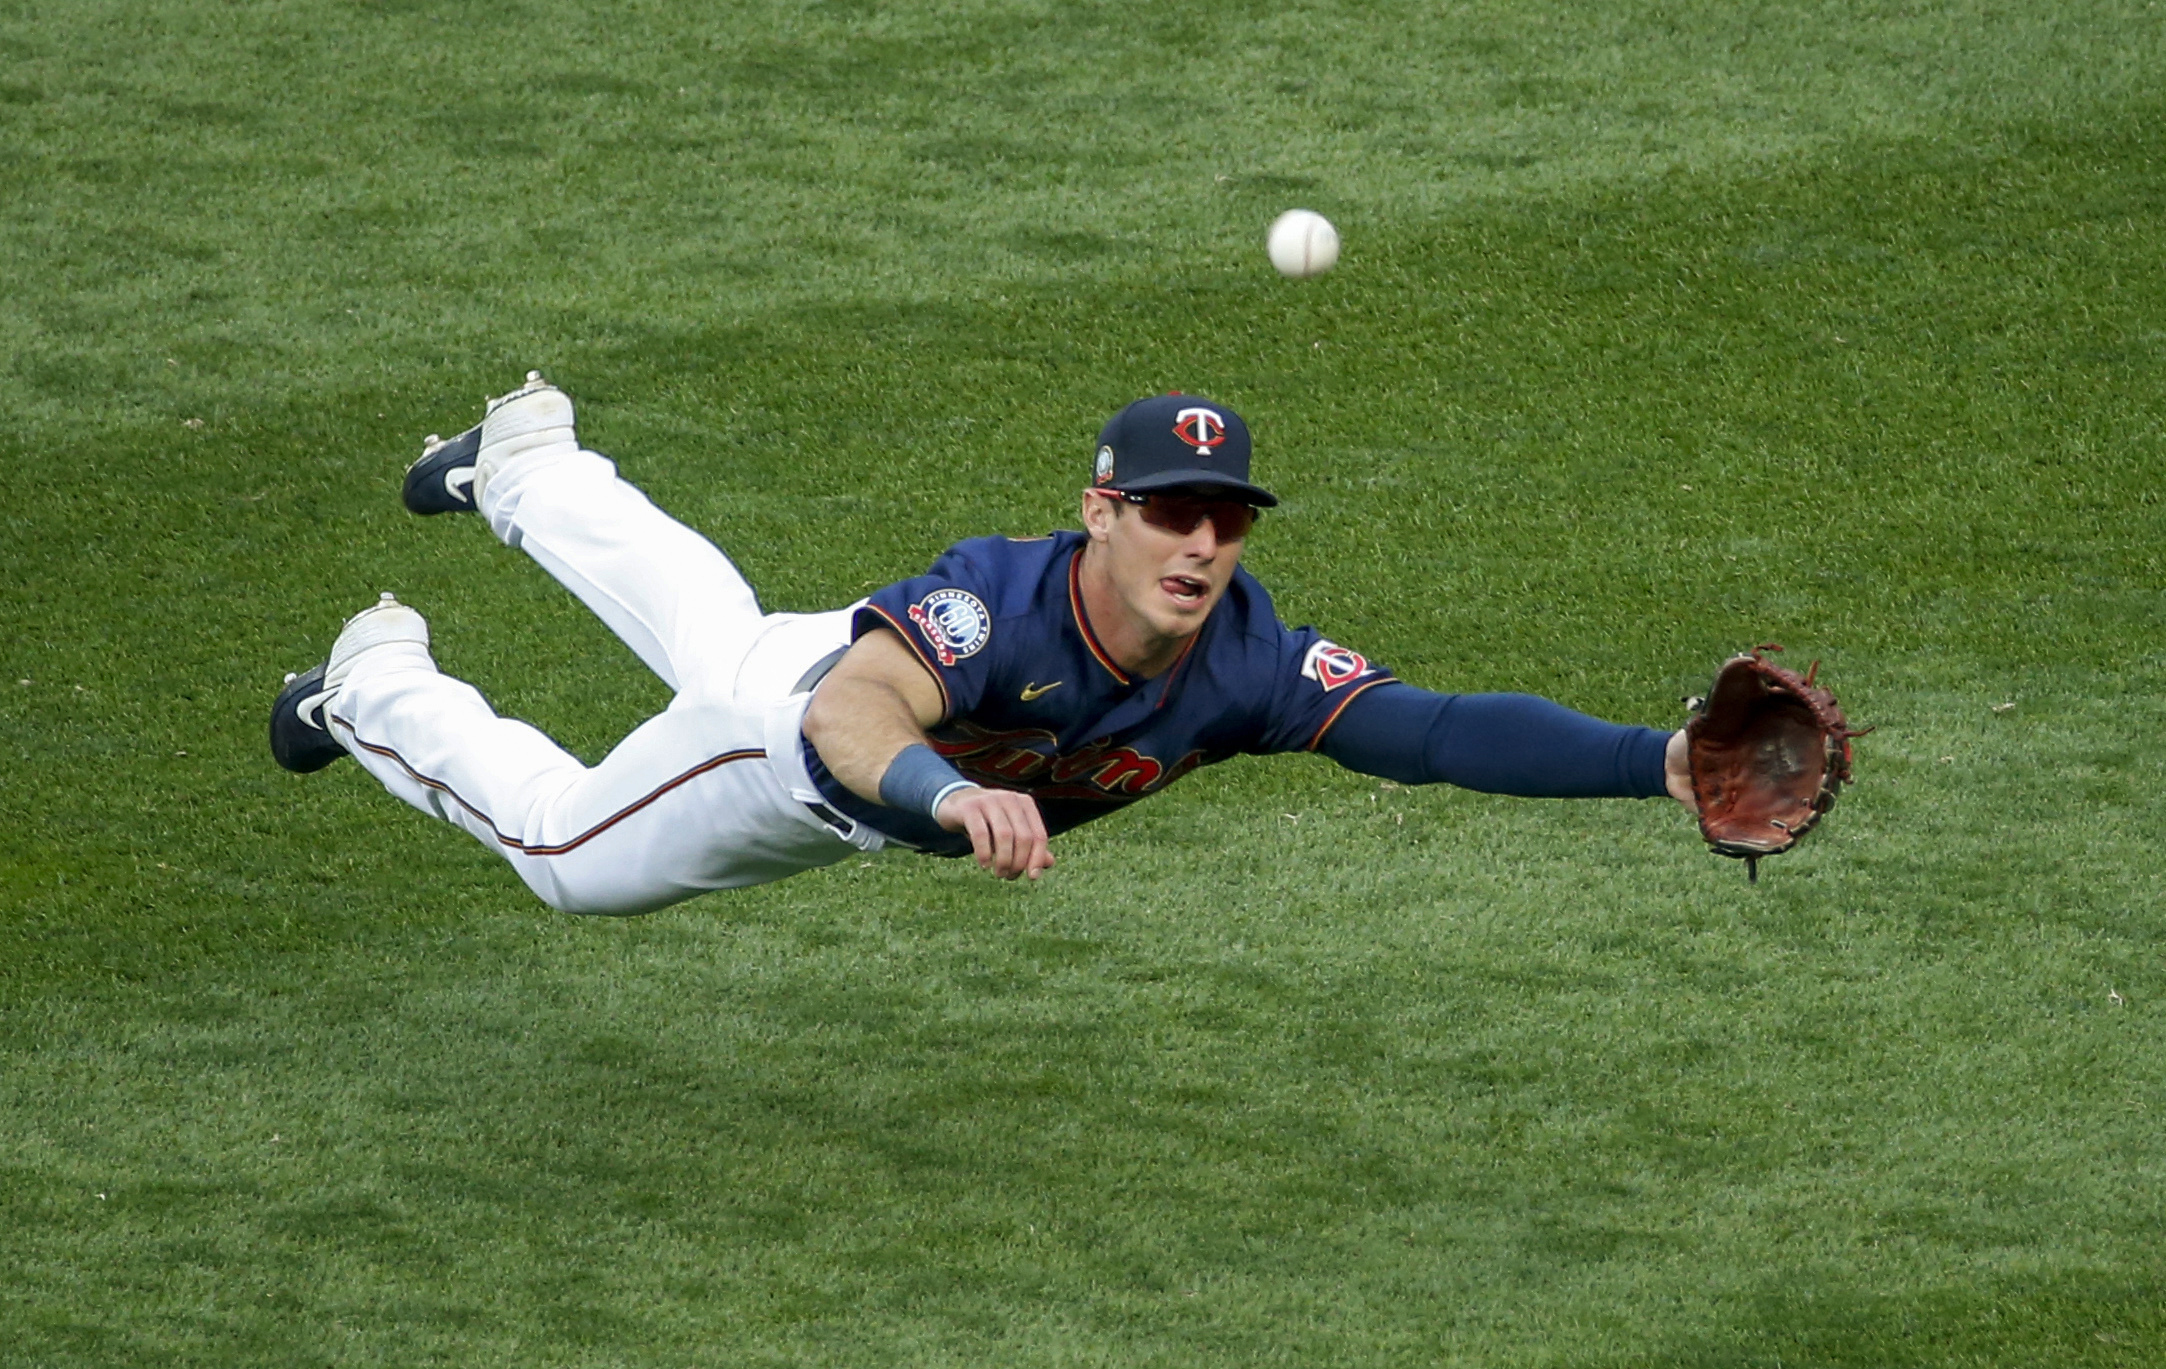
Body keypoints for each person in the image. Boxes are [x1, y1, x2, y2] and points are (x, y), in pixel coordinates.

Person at [270, 373, 1691, 914]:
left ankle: (523, 461)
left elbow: (1435, 733)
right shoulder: (1000, 605)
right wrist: (946, 793)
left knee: (718, 630)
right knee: (567, 860)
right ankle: (375, 681)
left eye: (1226, 521)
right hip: (795, 753)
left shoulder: (1248, 660)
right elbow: (848, 717)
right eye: (1169, 513)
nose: (1201, 544)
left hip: (825, 690)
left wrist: (1660, 762)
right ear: (1101, 510)